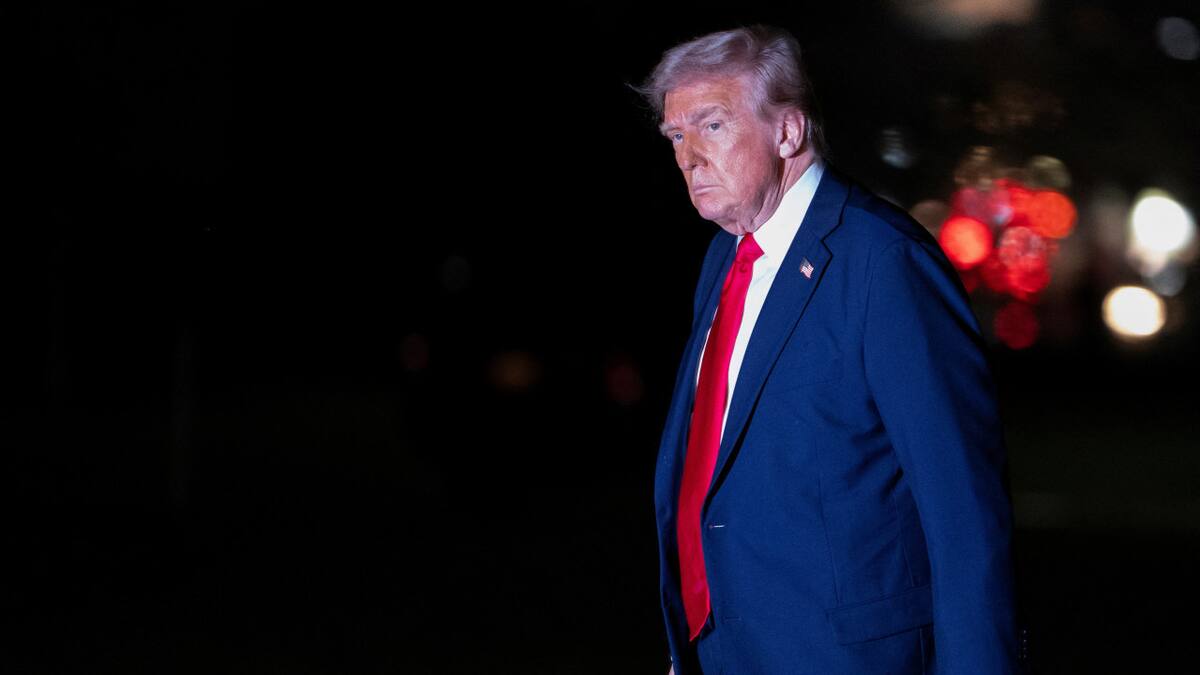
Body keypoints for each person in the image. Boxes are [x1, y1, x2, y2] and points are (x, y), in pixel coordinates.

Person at [640, 26, 1018, 674]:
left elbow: (964, 517)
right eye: (676, 135)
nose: (689, 157)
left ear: (788, 131)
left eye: (712, 126)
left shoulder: (885, 264)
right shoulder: (723, 259)